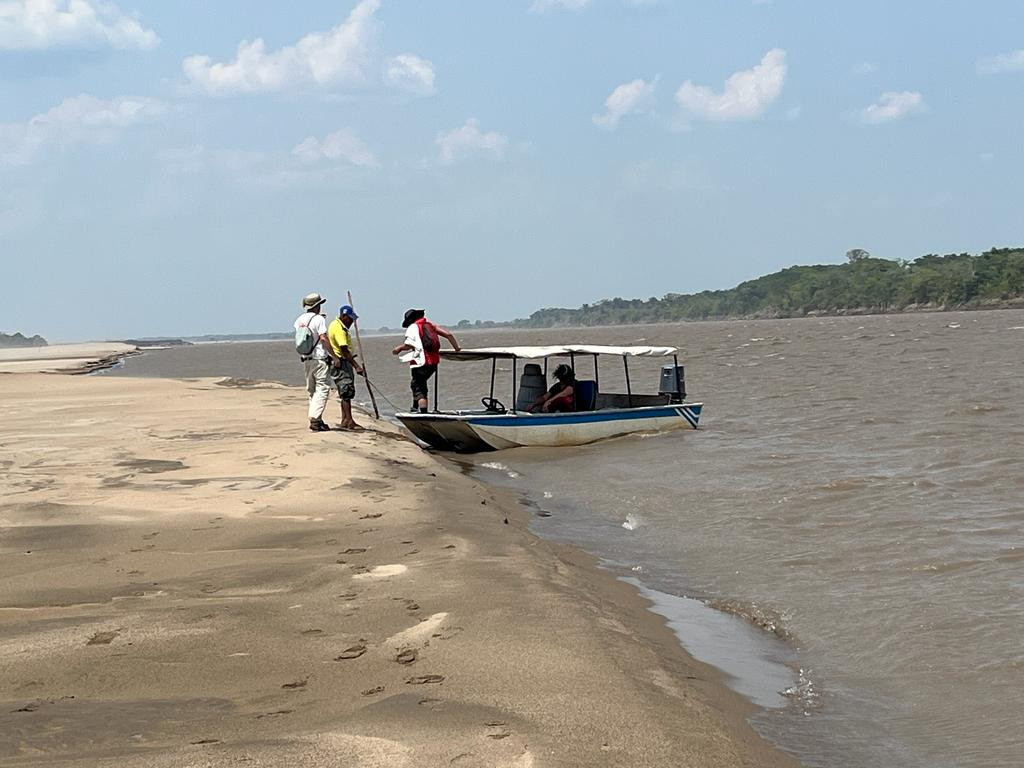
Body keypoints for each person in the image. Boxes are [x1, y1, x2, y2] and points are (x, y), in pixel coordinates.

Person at [391, 309, 460, 413]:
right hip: (433, 363)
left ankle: (423, 412)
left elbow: (409, 345)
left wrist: (399, 348)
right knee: (416, 384)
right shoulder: (431, 326)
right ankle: (414, 408)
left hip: (420, 362)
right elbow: (448, 335)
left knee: (420, 387)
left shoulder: (413, 328)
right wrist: (456, 348)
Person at [294, 293, 341, 431]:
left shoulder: (299, 320)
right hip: (319, 359)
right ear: (317, 306)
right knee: (323, 388)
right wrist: (334, 357)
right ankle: (314, 418)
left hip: (306, 358)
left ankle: (317, 420)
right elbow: (323, 339)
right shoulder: (318, 319)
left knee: (312, 390)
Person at [327, 304, 365, 430]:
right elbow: (343, 348)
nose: (352, 322)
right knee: (346, 391)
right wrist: (356, 366)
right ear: (343, 316)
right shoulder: (339, 328)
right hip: (342, 363)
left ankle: (344, 419)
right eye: (350, 319)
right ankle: (349, 421)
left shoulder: (337, 325)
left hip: (343, 361)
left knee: (345, 391)